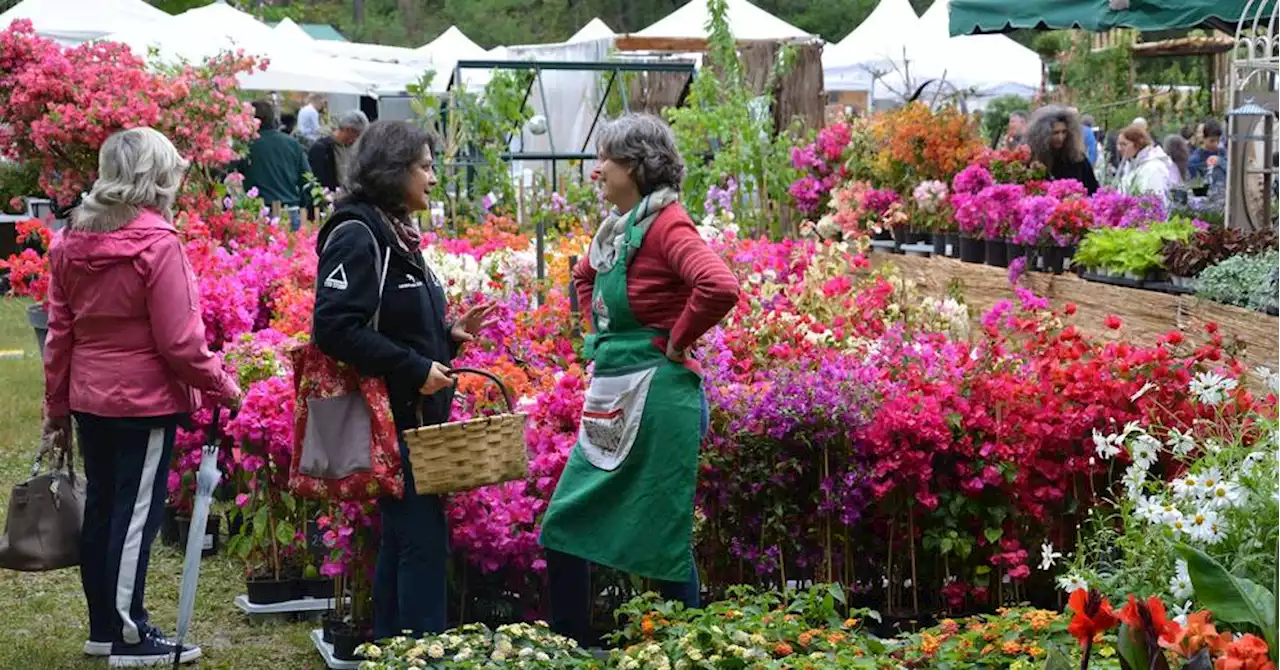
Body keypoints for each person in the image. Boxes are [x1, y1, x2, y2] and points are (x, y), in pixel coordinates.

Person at [539, 113, 741, 647]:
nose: (596, 170)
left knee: (662, 531)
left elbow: (718, 286)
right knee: (566, 521)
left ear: (634, 165)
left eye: (604, 159)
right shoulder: (618, 229)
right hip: (615, 390)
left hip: (660, 397)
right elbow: (584, 275)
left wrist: (677, 340)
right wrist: (597, 336)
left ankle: (682, 648)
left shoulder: (667, 224)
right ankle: (573, 645)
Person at [42, 128, 241, 667]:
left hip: (90, 395)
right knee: (134, 519)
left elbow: (60, 332)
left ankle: (104, 627)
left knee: (105, 509)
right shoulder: (157, 243)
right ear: (156, 176)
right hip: (145, 400)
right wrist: (223, 384)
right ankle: (130, 634)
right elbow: (180, 342)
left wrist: (57, 407)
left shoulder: (69, 240)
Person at [311, 120, 496, 638]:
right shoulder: (358, 233)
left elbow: (394, 320)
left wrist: (447, 335)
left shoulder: (395, 232)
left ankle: (390, 647)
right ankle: (420, 650)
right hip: (390, 420)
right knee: (421, 540)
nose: (432, 179)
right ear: (394, 172)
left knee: (403, 537)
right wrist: (415, 367)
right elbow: (334, 327)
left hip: (411, 418)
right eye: (425, 167)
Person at [233, 101, 310, 231]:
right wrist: (302, 204)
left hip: (258, 212)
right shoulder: (292, 143)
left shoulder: (245, 146)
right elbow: (307, 179)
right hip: (290, 209)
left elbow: (231, 177)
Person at [1026, 105, 1100, 194]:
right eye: (1055, 133)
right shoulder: (1032, 161)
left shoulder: (1077, 159)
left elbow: (1093, 190)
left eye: (1064, 132)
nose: (1060, 138)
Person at [308, 110, 369, 192]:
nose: (358, 139)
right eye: (358, 135)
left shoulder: (355, 148)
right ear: (348, 130)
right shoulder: (321, 149)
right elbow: (317, 181)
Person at [1116, 124, 1177, 200]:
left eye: (1123, 144)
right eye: (1118, 144)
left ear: (1138, 144)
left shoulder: (1154, 168)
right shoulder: (1131, 165)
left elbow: (1155, 201)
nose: (1119, 148)